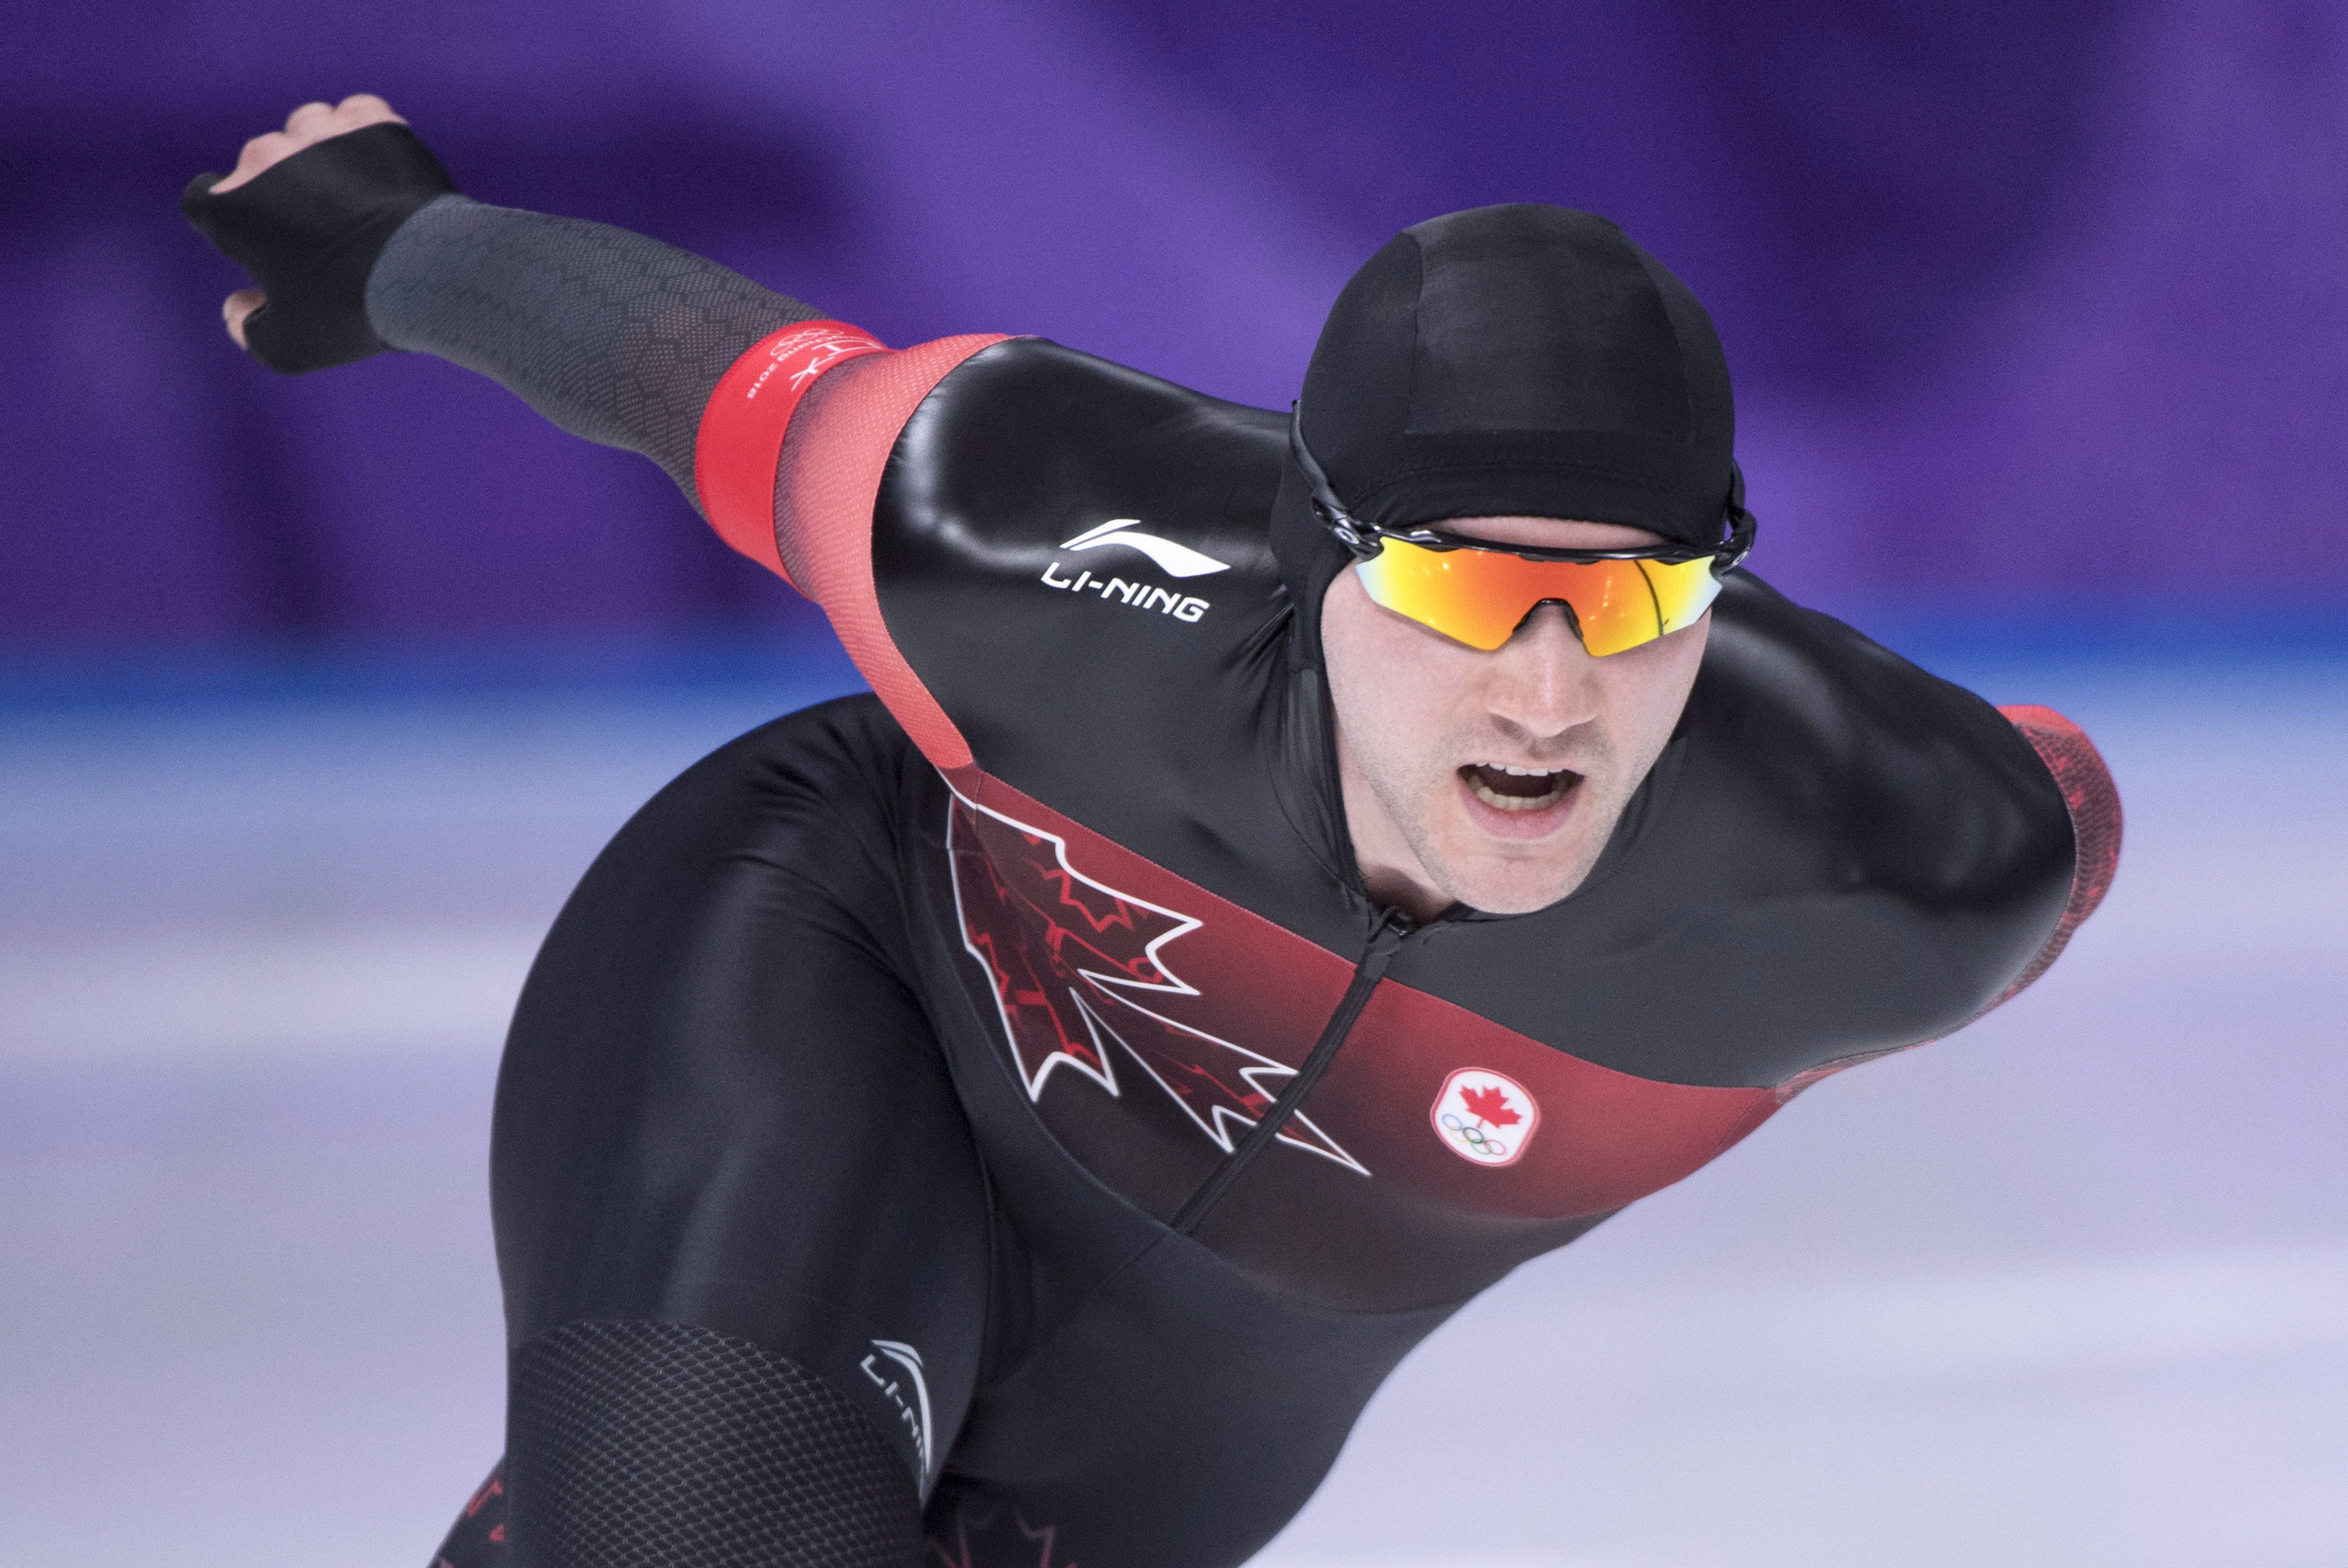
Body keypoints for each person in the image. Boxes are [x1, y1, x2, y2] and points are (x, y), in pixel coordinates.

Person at [184, 96, 2121, 1568]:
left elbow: (2058, 807)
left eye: (1629, 601)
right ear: (1309, 556)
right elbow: (703, 378)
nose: (1547, 694)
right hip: (854, 985)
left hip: (1203, 1398)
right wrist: (395, 241)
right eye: (1461, 592)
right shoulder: (1022, 527)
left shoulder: (1908, 865)